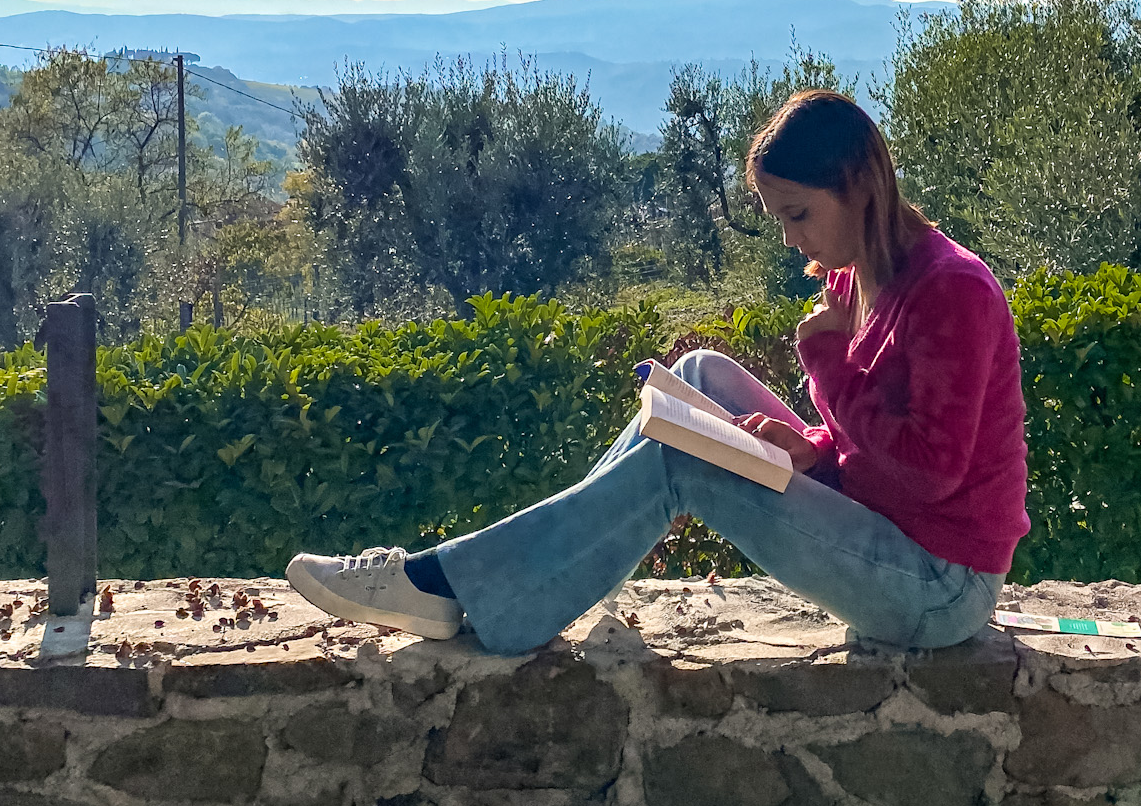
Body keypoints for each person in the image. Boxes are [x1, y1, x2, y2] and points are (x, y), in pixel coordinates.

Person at [286, 90, 1028, 655]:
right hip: (884, 523)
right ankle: (525, 578)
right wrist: (815, 447)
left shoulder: (951, 290)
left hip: (939, 584)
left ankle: (450, 586)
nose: (788, 238)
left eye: (798, 214)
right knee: (699, 376)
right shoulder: (855, 273)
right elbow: (875, 436)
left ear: (860, 185)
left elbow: (930, 472)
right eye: (779, 218)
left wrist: (829, 369)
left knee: (687, 457)